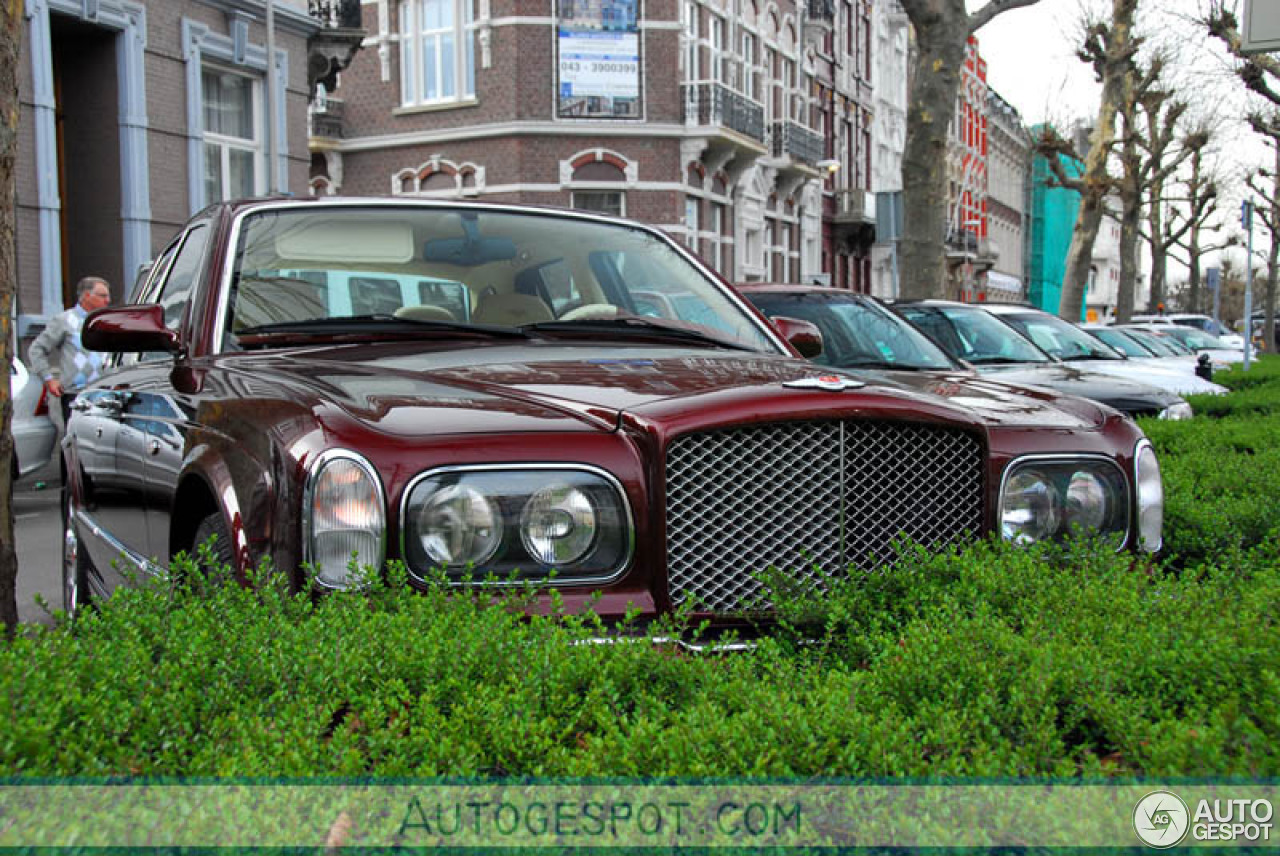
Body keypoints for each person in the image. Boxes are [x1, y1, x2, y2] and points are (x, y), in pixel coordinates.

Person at [28, 276, 112, 430]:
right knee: (74, 442)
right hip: (77, 395)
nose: (108, 300)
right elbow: (36, 349)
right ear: (87, 296)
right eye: (103, 296)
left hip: (105, 394)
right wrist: (48, 378)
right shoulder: (64, 320)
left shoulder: (105, 322)